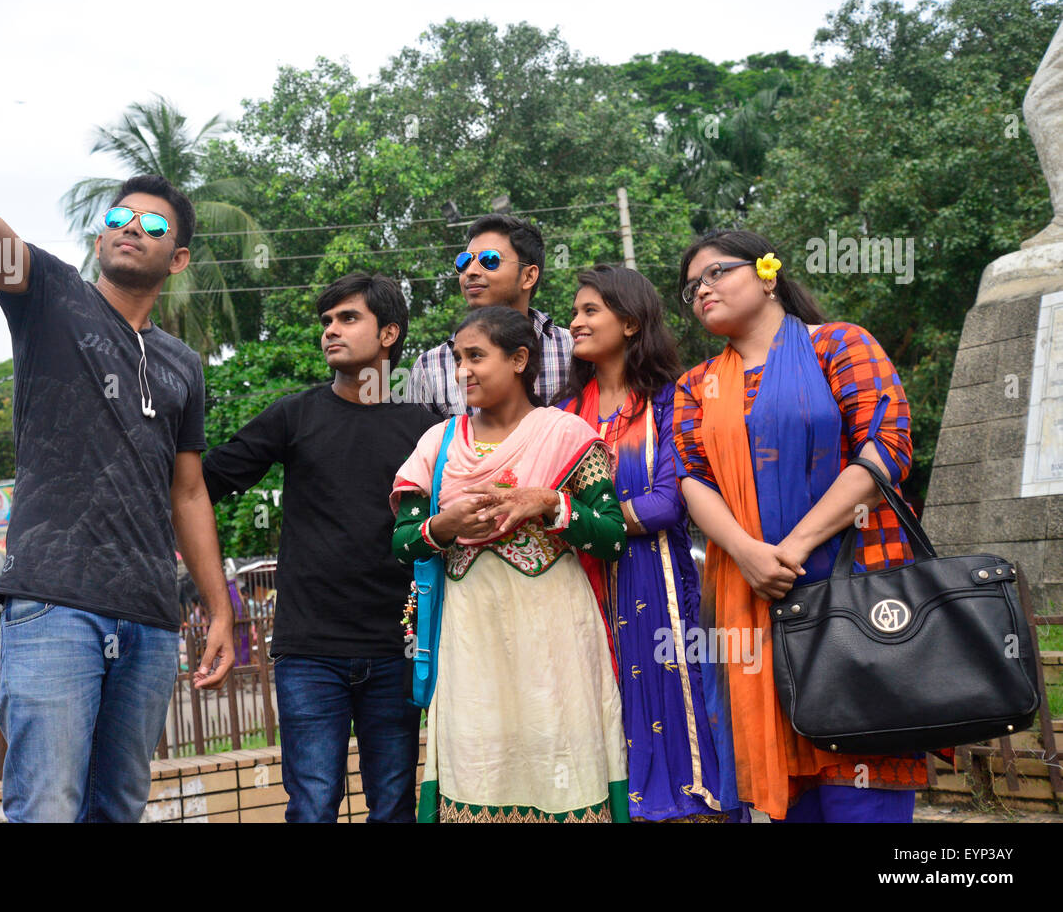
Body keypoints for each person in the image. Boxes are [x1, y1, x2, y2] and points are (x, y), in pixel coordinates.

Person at [0, 7, 234, 822]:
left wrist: (219, 604)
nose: (131, 227)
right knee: (44, 807)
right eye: (118, 217)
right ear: (100, 239)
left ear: (180, 257)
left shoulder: (181, 364)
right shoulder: (47, 296)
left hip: (151, 620)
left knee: (117, 808)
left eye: (154, 223)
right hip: (54, 604)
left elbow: (189, 492)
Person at [673, 229, 927, 823]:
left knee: (865, 785)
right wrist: (744, 553)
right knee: (794, 801)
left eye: (716, 273)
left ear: (767, 274)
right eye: (691, 288)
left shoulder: (840, 344)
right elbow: (692, 480)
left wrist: (790, 548)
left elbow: (886, 446)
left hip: (857, 591)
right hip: (755, 604)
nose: (701, 290)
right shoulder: (695, 385)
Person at [202, 273, 438, 822]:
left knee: (395, 807)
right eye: (326, 321)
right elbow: (201, 485)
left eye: (347, 318)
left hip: (397, 649)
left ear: (389, 334)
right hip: (309, 650)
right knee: (311, 806)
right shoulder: (293, 416)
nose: (331, 330)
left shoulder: (426, 430)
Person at [392, 306, 628, 822]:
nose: (462, 371)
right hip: (471, 642)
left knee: (560, 758)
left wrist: (549, 503)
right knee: (477, 762)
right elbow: (403, 543)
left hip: (555, 641)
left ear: (520, 359)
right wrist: (444, 525)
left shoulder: (565, 435)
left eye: (476, 356)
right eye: (458, 358)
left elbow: (612, 538)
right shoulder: (438, 443)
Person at [555, 265, 735, 822]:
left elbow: (668, 501)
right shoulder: (565, 413)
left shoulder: (667, 399)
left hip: (652, 579)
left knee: (669, 697)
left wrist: (589, 520)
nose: (575, 323)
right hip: (582, 582)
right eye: (575, 312)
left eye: (590, 311)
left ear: (630, 323)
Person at [411, 214, 572, 417]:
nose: (471, 271)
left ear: (529, 276)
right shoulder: (430, 367)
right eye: (464, 262)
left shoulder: (571, 350)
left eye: (490, 260)